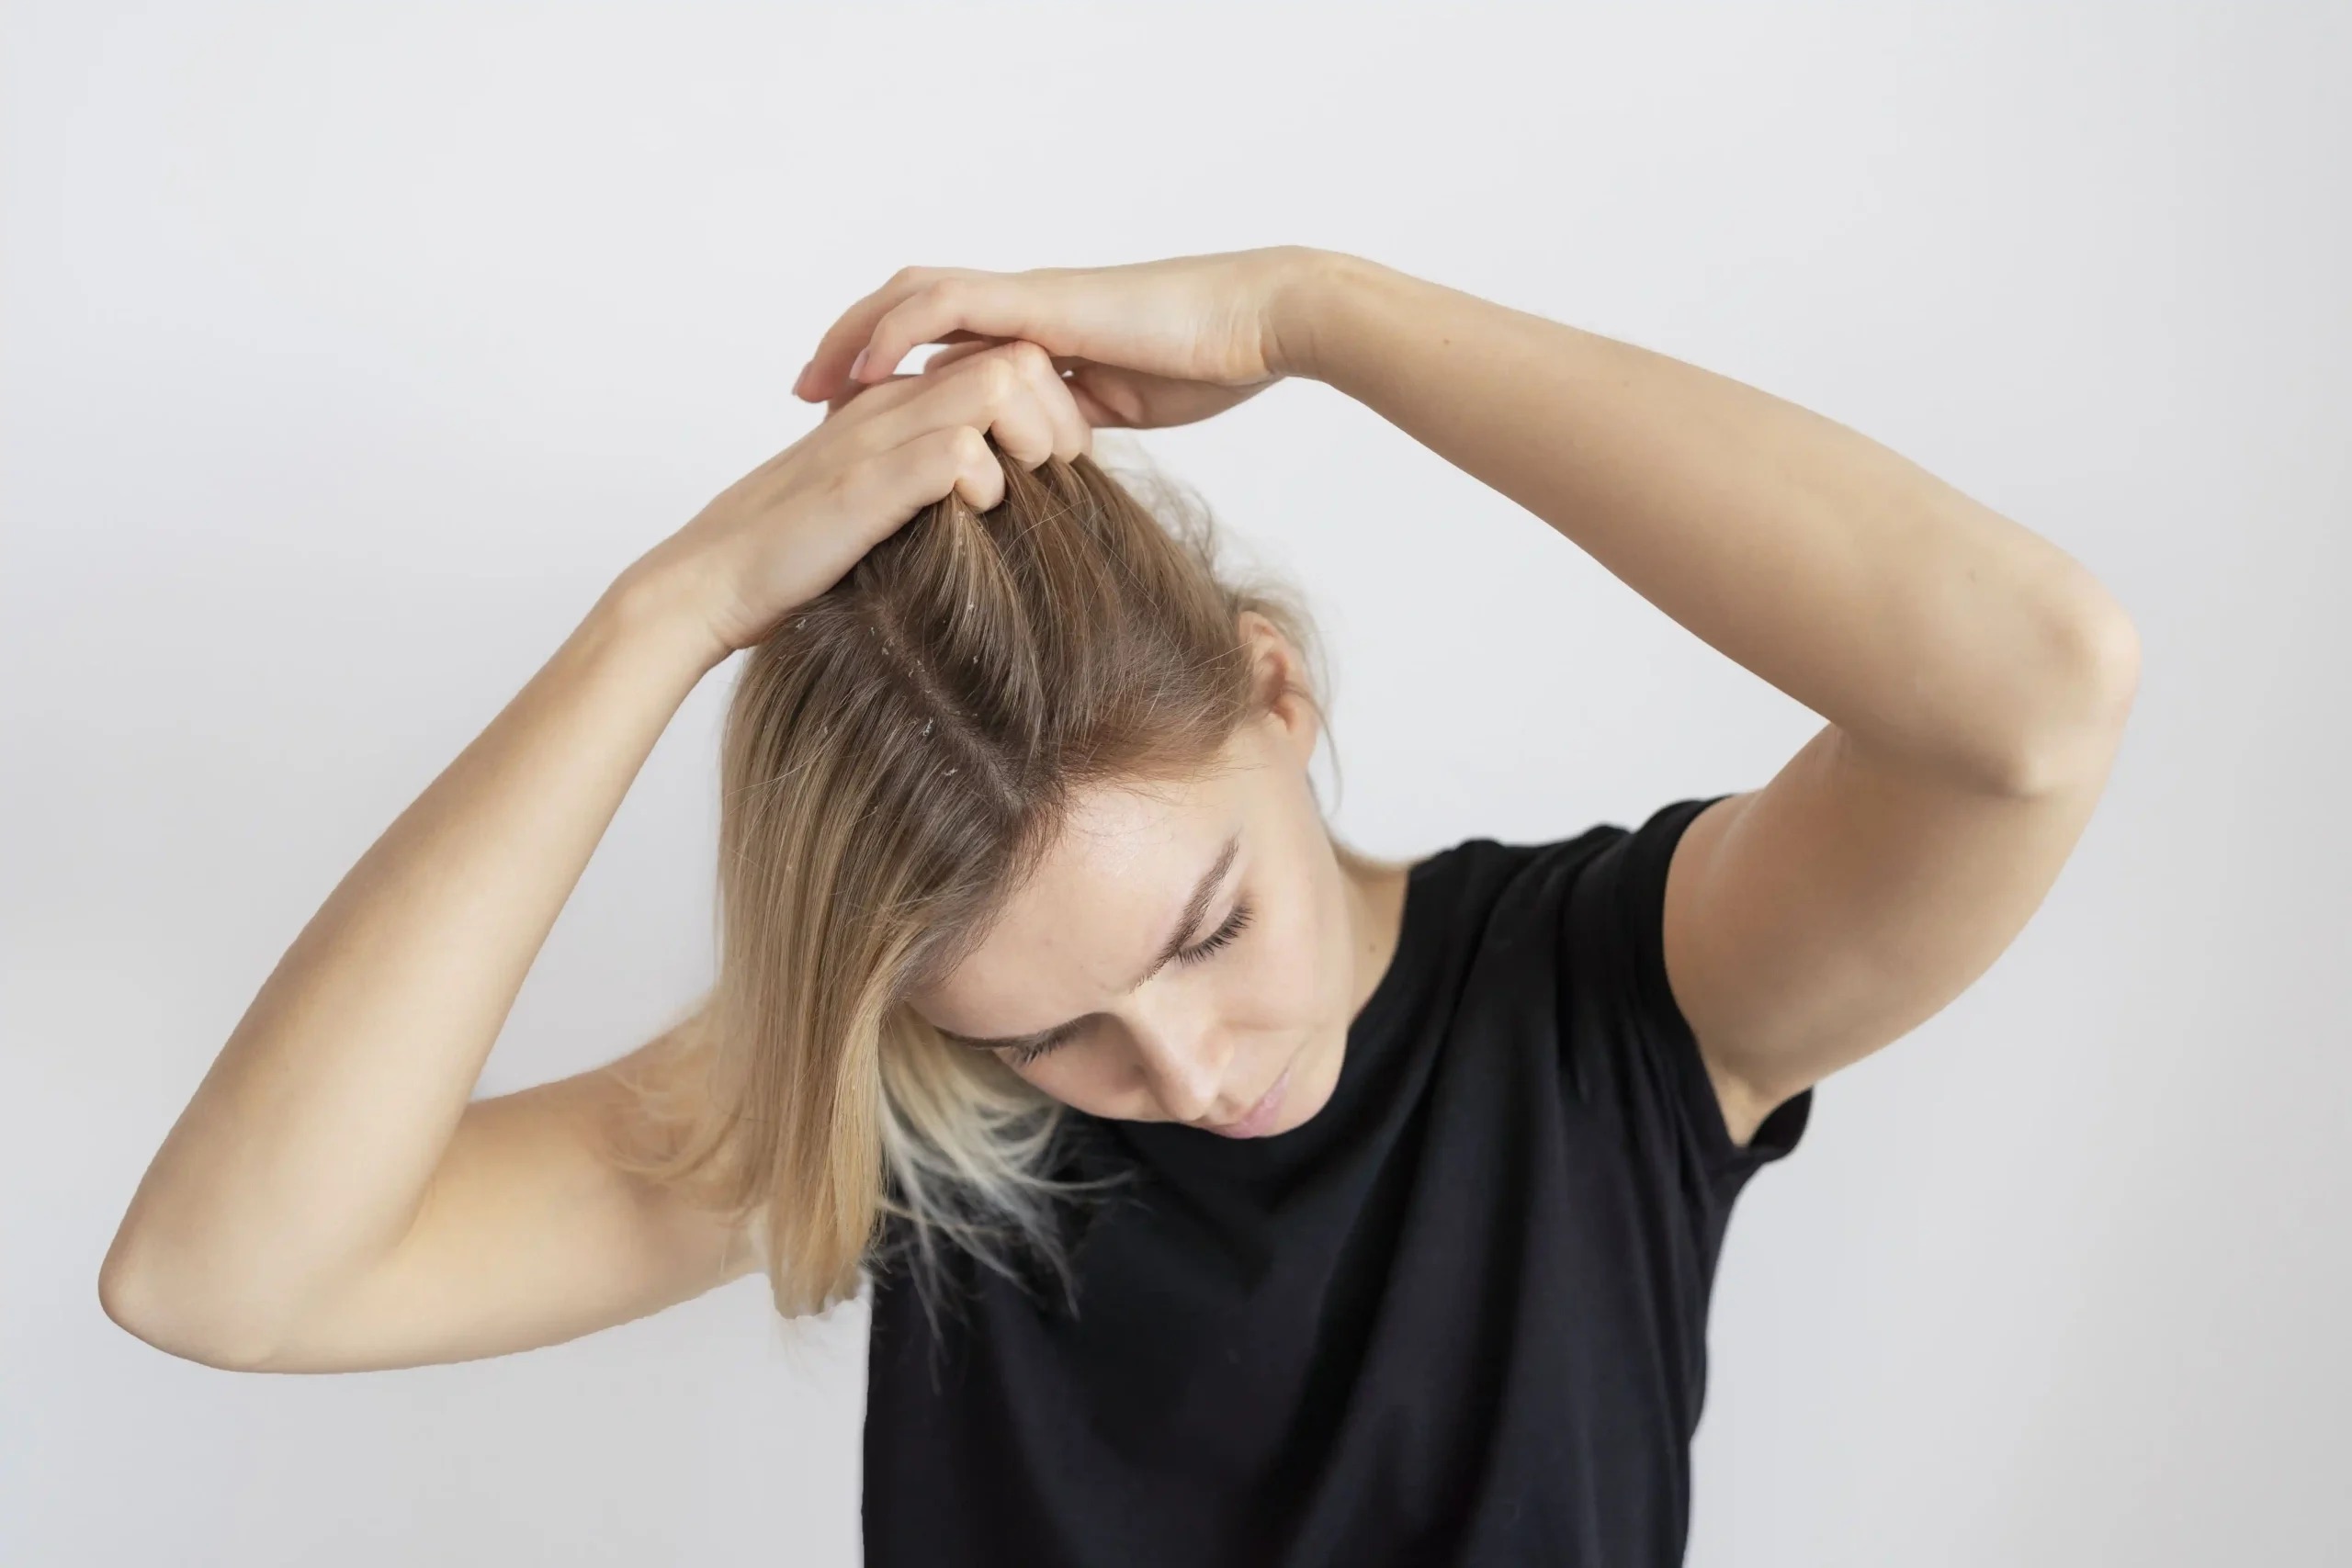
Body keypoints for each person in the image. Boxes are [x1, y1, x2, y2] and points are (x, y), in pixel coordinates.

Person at [98, 246, 2140, 1566]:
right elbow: (223, 1278)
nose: (1177, 1073)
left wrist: (1306, 318)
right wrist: (672, 612)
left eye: (1200, 929)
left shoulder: (1618, 1005)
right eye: (1038, 1031)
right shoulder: (907, 1116)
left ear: (1278, 688)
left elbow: (2032, 687)